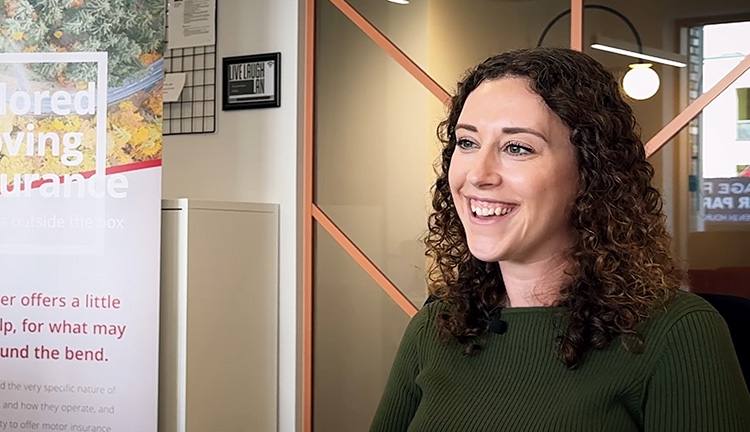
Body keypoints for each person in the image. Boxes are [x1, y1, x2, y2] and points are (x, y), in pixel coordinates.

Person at [369, 47, 750, 432]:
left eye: (517, 147)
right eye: (467, 142)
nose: (478, 174)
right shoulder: (434, 326)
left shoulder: (677, 332)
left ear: (590, 172)